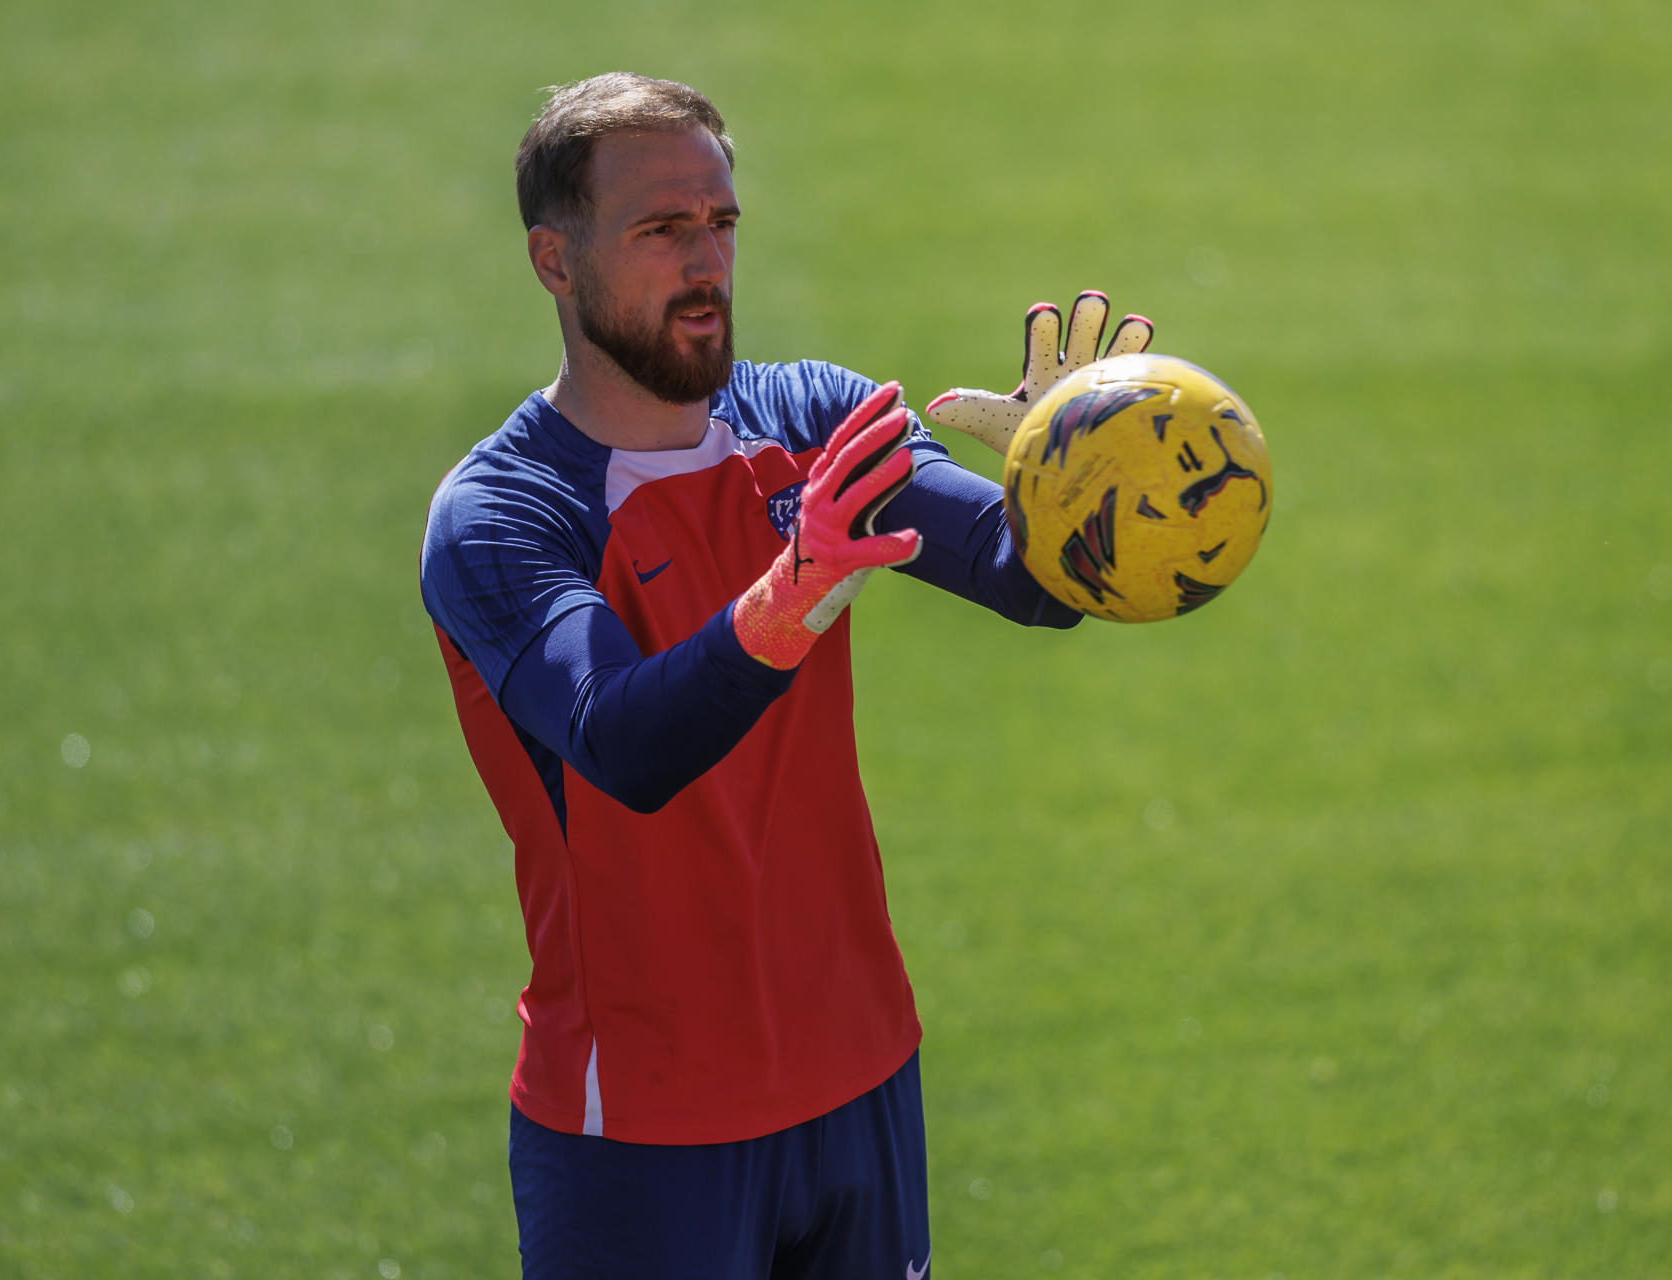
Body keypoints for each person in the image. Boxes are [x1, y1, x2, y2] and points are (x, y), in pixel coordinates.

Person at [419, 71, 1151, 1279]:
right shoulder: (503, 514)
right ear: (556, 259)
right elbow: (621, 741)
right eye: (662, 229)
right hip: (642, 1128)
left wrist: (1067, 479)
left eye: (721, 222)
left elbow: (1026, 581)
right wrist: (788, 594)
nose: (705, 259)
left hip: (860, 1074)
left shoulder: (812, 416)